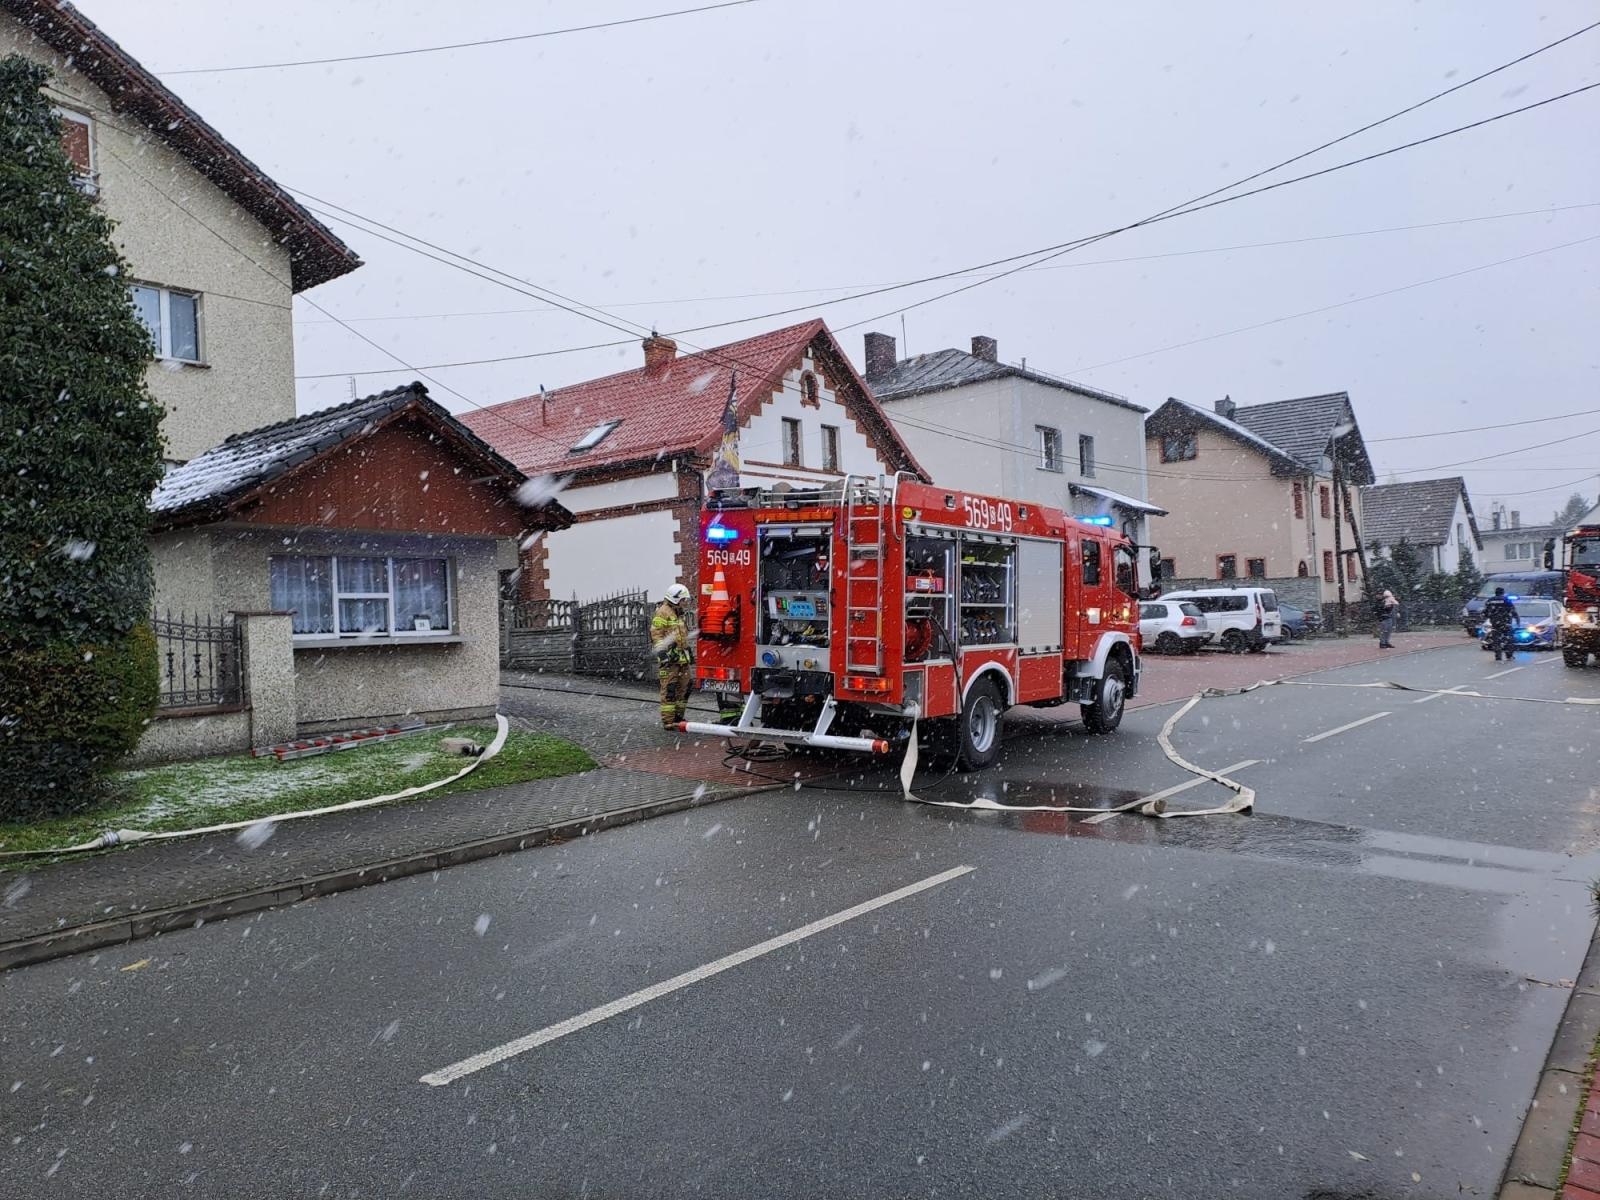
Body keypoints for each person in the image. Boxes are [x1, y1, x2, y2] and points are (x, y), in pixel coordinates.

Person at [651, 583, 694, 730]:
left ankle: (678, 717)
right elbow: (656, 634)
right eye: (683, 600)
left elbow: (681, 635)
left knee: (685, 687)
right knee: (669, 689)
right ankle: (669, 722)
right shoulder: (662, 612)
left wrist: (688, 650)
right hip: (669, 660)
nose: (685, 603)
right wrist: (662, 654)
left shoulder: (678, 613)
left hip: (681, 658)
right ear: (675, 599)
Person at [1483, 586, 1520, 662]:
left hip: (1495, 624)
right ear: (1503, 592)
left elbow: (1485, 612)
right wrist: (1517, 620)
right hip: (1506, 623)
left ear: (1495, 593)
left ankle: (1498, 656)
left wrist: (1490, 617)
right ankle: (1509, 655)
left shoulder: (1490, 601)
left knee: (1496, 641)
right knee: (1508, 640)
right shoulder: (1506, 600)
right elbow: (1513, 611)